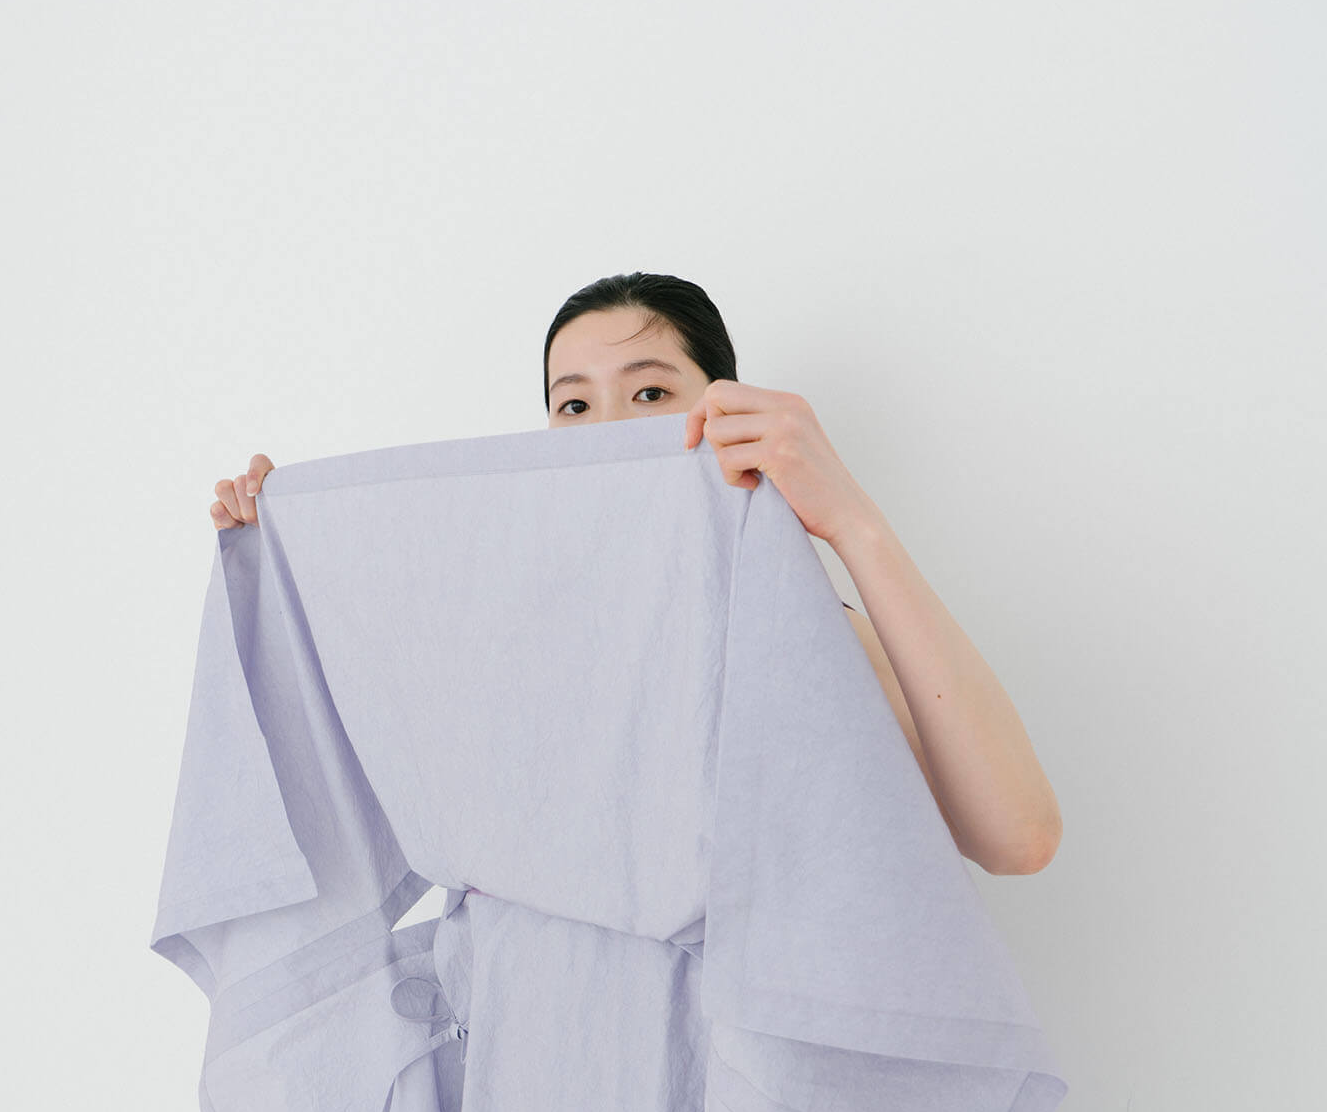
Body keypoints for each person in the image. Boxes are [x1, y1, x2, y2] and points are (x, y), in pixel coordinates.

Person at [208, 270, 1060, 877]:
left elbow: (1016, 837)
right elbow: (334, 804)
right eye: (574, 404)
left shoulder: (796, 626)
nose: (609, 430)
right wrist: (285, 552)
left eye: (651, 393)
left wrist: (851, 521)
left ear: (723, 409)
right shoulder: (502, 640)